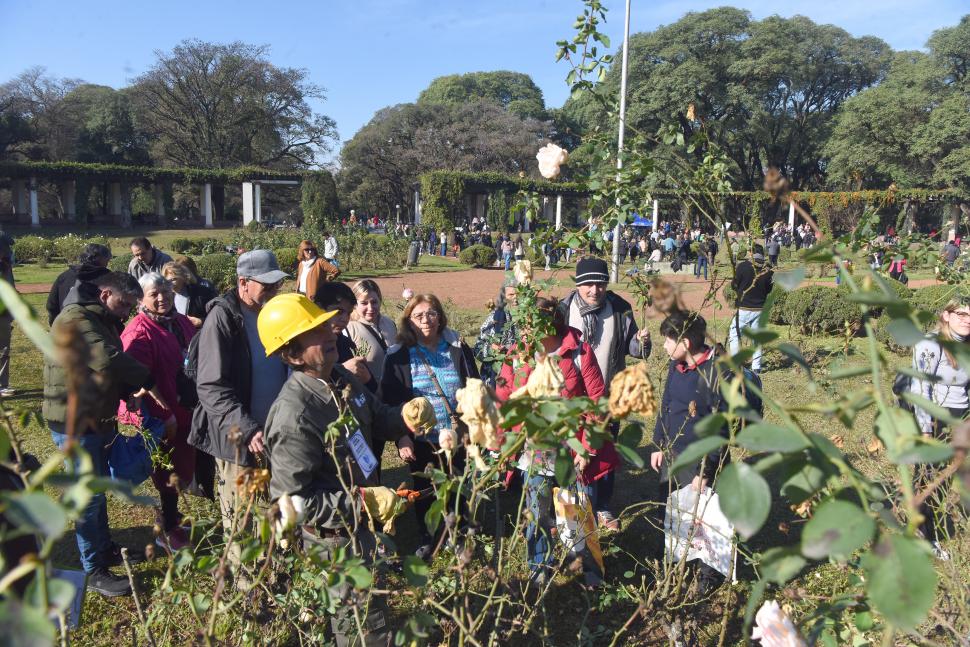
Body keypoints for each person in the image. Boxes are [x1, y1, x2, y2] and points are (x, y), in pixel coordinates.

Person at [259, 294, 422, 644]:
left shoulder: (340, 378)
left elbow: (377, 416)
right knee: (363, 628)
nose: (330, 332)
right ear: (291, 353)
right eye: (315, 331)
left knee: (359, 618)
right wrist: (359, 502)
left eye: (324, 325)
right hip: (333, 544)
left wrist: (404, 417)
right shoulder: (295, 416)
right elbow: (290, 504)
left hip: (360, 532)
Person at [45, 271, 168, 597]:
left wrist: (127, 388)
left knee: (97, 491)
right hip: (75, 423)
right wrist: (147, 380)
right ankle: (94, 569)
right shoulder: (74, 320)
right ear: (104, 295)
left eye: (131, 306)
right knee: (89, 497)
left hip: (97, 419)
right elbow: (107, 358)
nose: (127, 311)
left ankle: (105, 549)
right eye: (124, 303)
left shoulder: (102, 320)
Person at [495, 297, 612, 586]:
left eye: (539, 320)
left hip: (572, 452)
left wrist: (587, 448)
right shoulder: (518, 355)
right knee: (536, 513)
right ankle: (539, 570)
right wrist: (502, 445)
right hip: (533, 452)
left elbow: (598, 402)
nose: (532, 327)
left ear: (553, 320)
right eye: (527, 321)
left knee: (576, 512)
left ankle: (589, 571)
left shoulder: (577, 351)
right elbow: (503, 401)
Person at [188, 250, 289, 582]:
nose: (274, 292)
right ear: (243, 283)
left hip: (270, 435)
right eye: (267, 286)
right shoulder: (223, 319)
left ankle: (269, 572)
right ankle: (247, 588)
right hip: (242, 439)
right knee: (244, 512)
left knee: (268, 505)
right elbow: (211, 386)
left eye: (276, 285)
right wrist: (246, 428)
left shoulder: (269, 313)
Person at [380, 293, 480, 560]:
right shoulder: (399, 355)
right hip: (422, 437)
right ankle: (430, 535)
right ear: (409, 320)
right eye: (419, 315)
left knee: (460, 484)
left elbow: (474, 387)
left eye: (431, 313)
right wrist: (402, 437)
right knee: (426, 490)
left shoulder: (457, 347)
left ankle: (461, 536)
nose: (426, 320)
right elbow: (391, 401)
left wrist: (473, 426)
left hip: (458, 433)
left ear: (440, 316)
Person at [556, 257, 651, 529]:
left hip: (608, 395)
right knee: (571, 449)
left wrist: (640, 341)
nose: (594, 290)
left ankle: (603, 507)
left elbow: (634, 350)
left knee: (605, 451)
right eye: (587, 284)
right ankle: (570, 506)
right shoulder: (563, 310)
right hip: (570, 398)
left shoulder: (620, 309)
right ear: (578, 285)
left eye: (599, 284)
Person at [118, 273, 197, 550]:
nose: (162, 297)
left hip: (184, 408)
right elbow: (135, 383)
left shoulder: (180, 321)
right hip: (162, 414)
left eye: (166, 291)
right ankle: (168, 530)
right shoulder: (139, 331)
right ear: (142, 299)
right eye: (154, 294)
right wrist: (164, 416)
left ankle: (173, 519)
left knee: (182, 466)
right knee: (166, 471)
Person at [909, 294, 970, 560]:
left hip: (962, 417)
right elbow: (921, 388)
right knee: (930, 478)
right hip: (935, 417)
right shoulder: (930, 344)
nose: (967, 320)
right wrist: (925, 429)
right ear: (946, 315)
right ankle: (923, 536)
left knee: (950, 475)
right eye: (961, 314)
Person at [314, 282, 378, 393]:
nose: (345, 319)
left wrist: (367, 378)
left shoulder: (347, 344)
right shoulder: (308, 346)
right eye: (338, 311)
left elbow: (371, 391)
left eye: (348, 313)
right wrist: (341, 371)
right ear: (320, 308)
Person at [727, 244, 773, 374]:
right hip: (760, 308)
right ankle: (756, 367)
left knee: (735, 335)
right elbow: (769, 289)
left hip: (744, 307)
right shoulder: (768, 269)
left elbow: (734, 285)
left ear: (751, 253)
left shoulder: (743, 266)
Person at [347, 279, 398, 386]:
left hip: (395, 390)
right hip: (369, 394)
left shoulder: (390, 324)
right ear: (355, 304)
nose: (370, 308)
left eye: (374, 302)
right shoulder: (349, 329)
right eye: (364, 303)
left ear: (380, 300)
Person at [47, 243, 112, 325]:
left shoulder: (64, 276)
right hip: (95, 326)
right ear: (99, 258)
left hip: (65, 325)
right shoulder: (107, 277)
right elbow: (115, 305)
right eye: (107, 259)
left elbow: (52, 305)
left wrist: (55, 325)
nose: (107, 263)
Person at [474, 277, 519, 388]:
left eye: (520, 294)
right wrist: (490, 348)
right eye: (511, 295)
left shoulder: (529, 319)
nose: (516, 298)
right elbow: (477, 349)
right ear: (504, 297)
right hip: (497, 378)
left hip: (521, 377)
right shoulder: (495, 318)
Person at [162, 259, 217, 328]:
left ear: (183, 277)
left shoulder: (202, 293)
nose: (170, 284)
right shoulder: (165, 296)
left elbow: (217, 317)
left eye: (174, 279)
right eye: (167, 281)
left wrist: (201, 322)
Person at [0, 233, 16, 397]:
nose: (9, 252)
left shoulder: (6, 266)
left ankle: (2, 384)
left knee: (4, 350)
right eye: (6, 248)